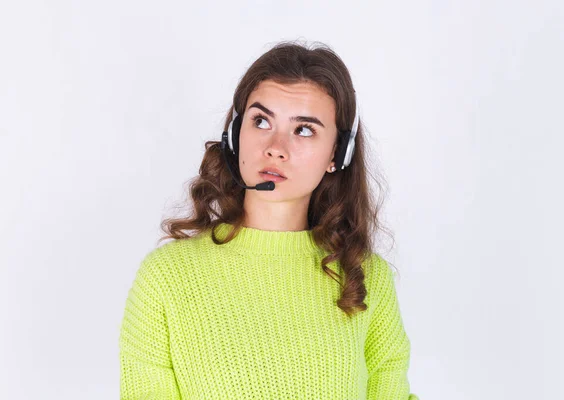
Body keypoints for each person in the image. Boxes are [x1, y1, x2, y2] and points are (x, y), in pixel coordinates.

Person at [119, 40, 419, 400]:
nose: (276, 147)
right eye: (261, 121)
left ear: (337, 154)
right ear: (235, 134)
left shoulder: (366, 277)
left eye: (304, 129)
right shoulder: (165, 278)